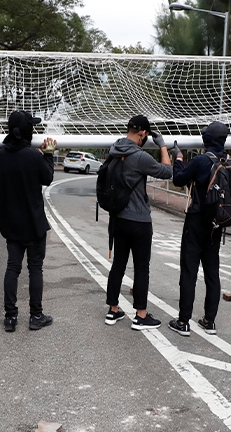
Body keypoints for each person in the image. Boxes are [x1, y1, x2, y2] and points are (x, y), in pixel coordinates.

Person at [103, 115, 173, 331]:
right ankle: (141, 315)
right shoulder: (139, 156)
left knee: (118, 265)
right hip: (139, 221)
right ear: (143, 133)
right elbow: (167, 172)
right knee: (142, 268)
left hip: (118, 218)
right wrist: (162, 147)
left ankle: (113, 310)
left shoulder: (115, 150)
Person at [0, 111, 57, 332]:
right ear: (27, 132)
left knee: (12, 268)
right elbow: (47, 177)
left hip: (11, 226)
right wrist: (48, 154)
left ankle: (10, 318)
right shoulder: (33, 156)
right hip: (33, 224)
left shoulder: (2, 154)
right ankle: (36, 316)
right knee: (35, 269)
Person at [168, 122, 230, 336]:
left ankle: (183, 321)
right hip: (217, 224)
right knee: (212, 273)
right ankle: (209, 320)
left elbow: (178, 179)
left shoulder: (201, 161)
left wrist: (178, 158)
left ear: (206, 139)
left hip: (196, 222)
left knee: (189, 271)